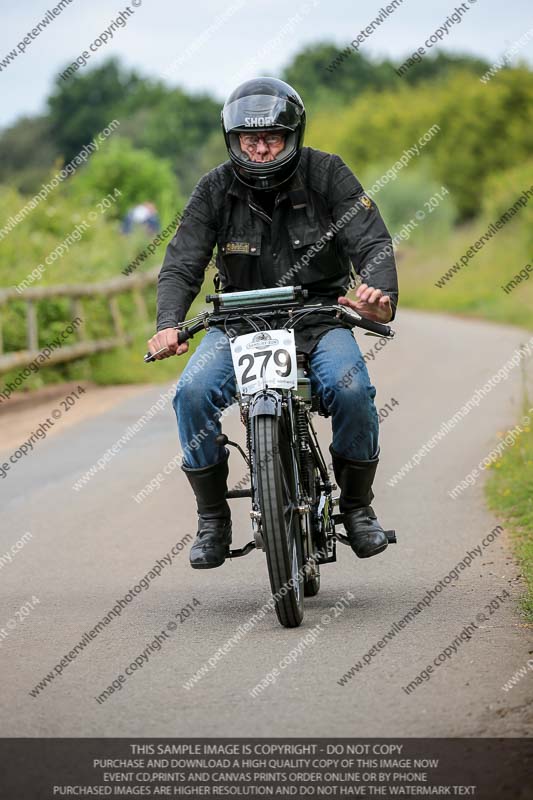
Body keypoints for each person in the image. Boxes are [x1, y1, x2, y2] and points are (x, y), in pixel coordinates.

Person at [147, 77, 398, 570]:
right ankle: (213, 518)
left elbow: (371, 242)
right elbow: (182, 262)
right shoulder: (214, 188)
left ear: (292, 136)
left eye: (272, 139)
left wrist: (379, 295)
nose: (260, 150)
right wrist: (169, 322)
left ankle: (357, 507)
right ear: (233, 140)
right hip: (238, 321)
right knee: (192, 395)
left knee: (351, 392)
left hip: (318, 317)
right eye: (249, 140)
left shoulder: (328, 173)